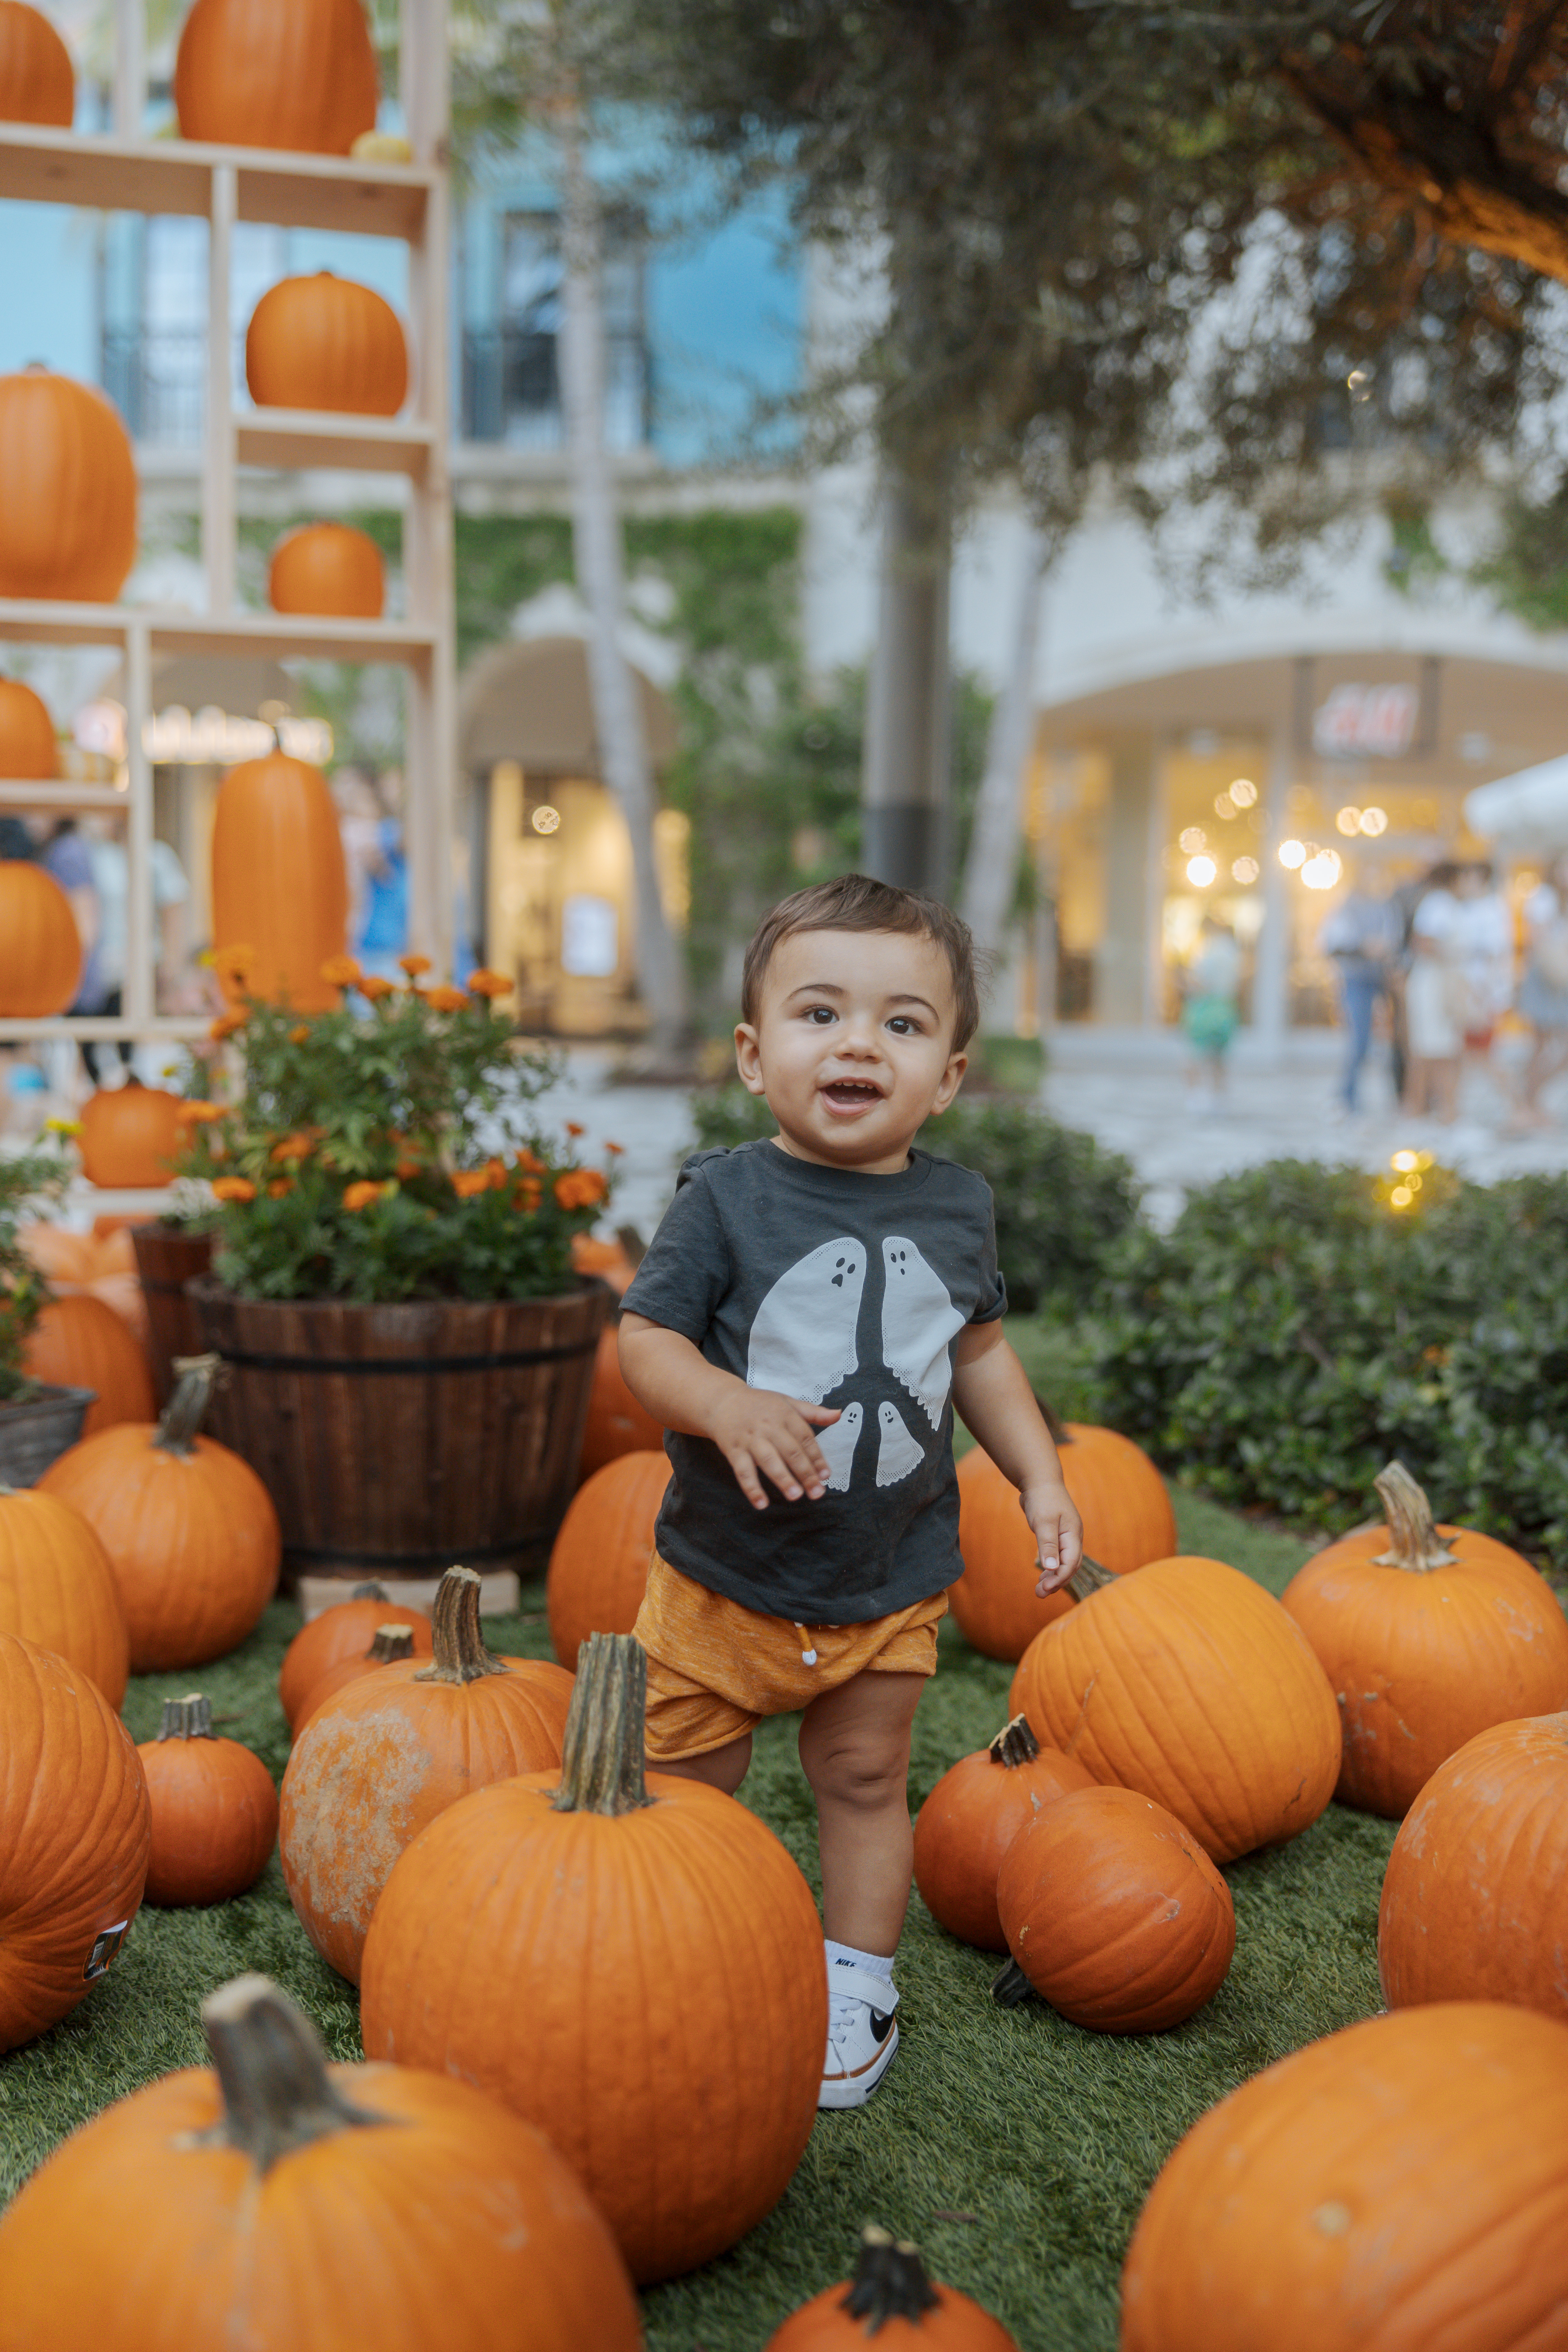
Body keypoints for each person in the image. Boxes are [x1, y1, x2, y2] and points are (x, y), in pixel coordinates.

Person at [617, 875, 1082, 2109]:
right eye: (822, 1014)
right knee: (687, 1793)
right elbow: (645, 1343)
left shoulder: (958, 1207)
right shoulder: (725, 1200)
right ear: (756, 1055)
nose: (860, 1043)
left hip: (885, 1579)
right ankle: (684, 1941)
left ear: (951, 1076)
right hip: (725, 1578)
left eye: (903, 1023)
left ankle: (855, 1974)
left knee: (869, 1780)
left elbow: (975, 1351)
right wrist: (723, 1403)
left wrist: (1036, 1471)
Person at [1318, 871, 1396, 1117]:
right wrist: (1362, 948)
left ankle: (1400, 1098)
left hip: (1384, 978)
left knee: (1396, 1041)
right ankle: (1348, 1098)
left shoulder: (1386, 909)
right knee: (1359, 1040)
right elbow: (1330, 944)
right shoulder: (1345, 910)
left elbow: (1393, 940)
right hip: (1356, 979)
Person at [1512, 850, 1568, 1128]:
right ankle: (1528, 1104)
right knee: (1541, 1045)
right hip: (1547, 978)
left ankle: (1531, 1099)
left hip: (1563, 978)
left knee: (1555, 1048)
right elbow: (1539, 939)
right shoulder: (1544, 897)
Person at [1179, 913, 1242, 1112]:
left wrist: (1185, 983)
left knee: (1195, 1056)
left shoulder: (1208, 951)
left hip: (1205, 1007)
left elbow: (1200, 983)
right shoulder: (1232, 950)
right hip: (1226, 1007)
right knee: (1220, 1059)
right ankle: (1219, 1099)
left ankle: (1194, 1099)